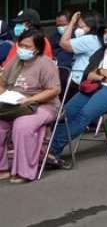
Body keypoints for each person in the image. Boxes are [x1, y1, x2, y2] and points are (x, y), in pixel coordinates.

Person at [48, 16, 107, 169]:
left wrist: (102, 72)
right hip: (93, 86)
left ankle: (53, 149)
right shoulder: (100, 52)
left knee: (84, 115)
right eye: (105, 32)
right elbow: (88, 73)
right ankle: (49, 147)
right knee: (66, 112)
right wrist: (106, 73)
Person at [0, 29, 61, 183]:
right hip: (15, 103)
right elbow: (2, 83)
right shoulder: (15, 61)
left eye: (27, 47)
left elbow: (54, 90)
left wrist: (30, 99)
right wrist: (4, 95)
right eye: (21, 45)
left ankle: (24, 171)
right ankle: (2, 168)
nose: (22, 49)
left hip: (44, 104)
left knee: (23, 125)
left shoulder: (46, 64)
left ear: (37, 49)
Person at [58, 11, 103, 99]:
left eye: (81, 27)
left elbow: (63, 43)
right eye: (77, 26)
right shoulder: (97, 38)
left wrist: (71, 22)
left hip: (79, 79)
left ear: (91, 26)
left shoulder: (89, 39)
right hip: (87, 77)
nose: (78, 29)